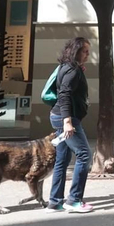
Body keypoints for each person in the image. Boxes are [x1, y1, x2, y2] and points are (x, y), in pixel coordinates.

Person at [48, 36, 95, 213]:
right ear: (75, 51)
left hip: (59, 116)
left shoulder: (65, 67)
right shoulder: (72, 71)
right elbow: (65, 95)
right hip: (66, 119)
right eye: (85, 51)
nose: (88, 55)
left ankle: (55, 202)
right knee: (84, 155)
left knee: (62, 159)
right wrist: (67, 122)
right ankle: (74, 200)